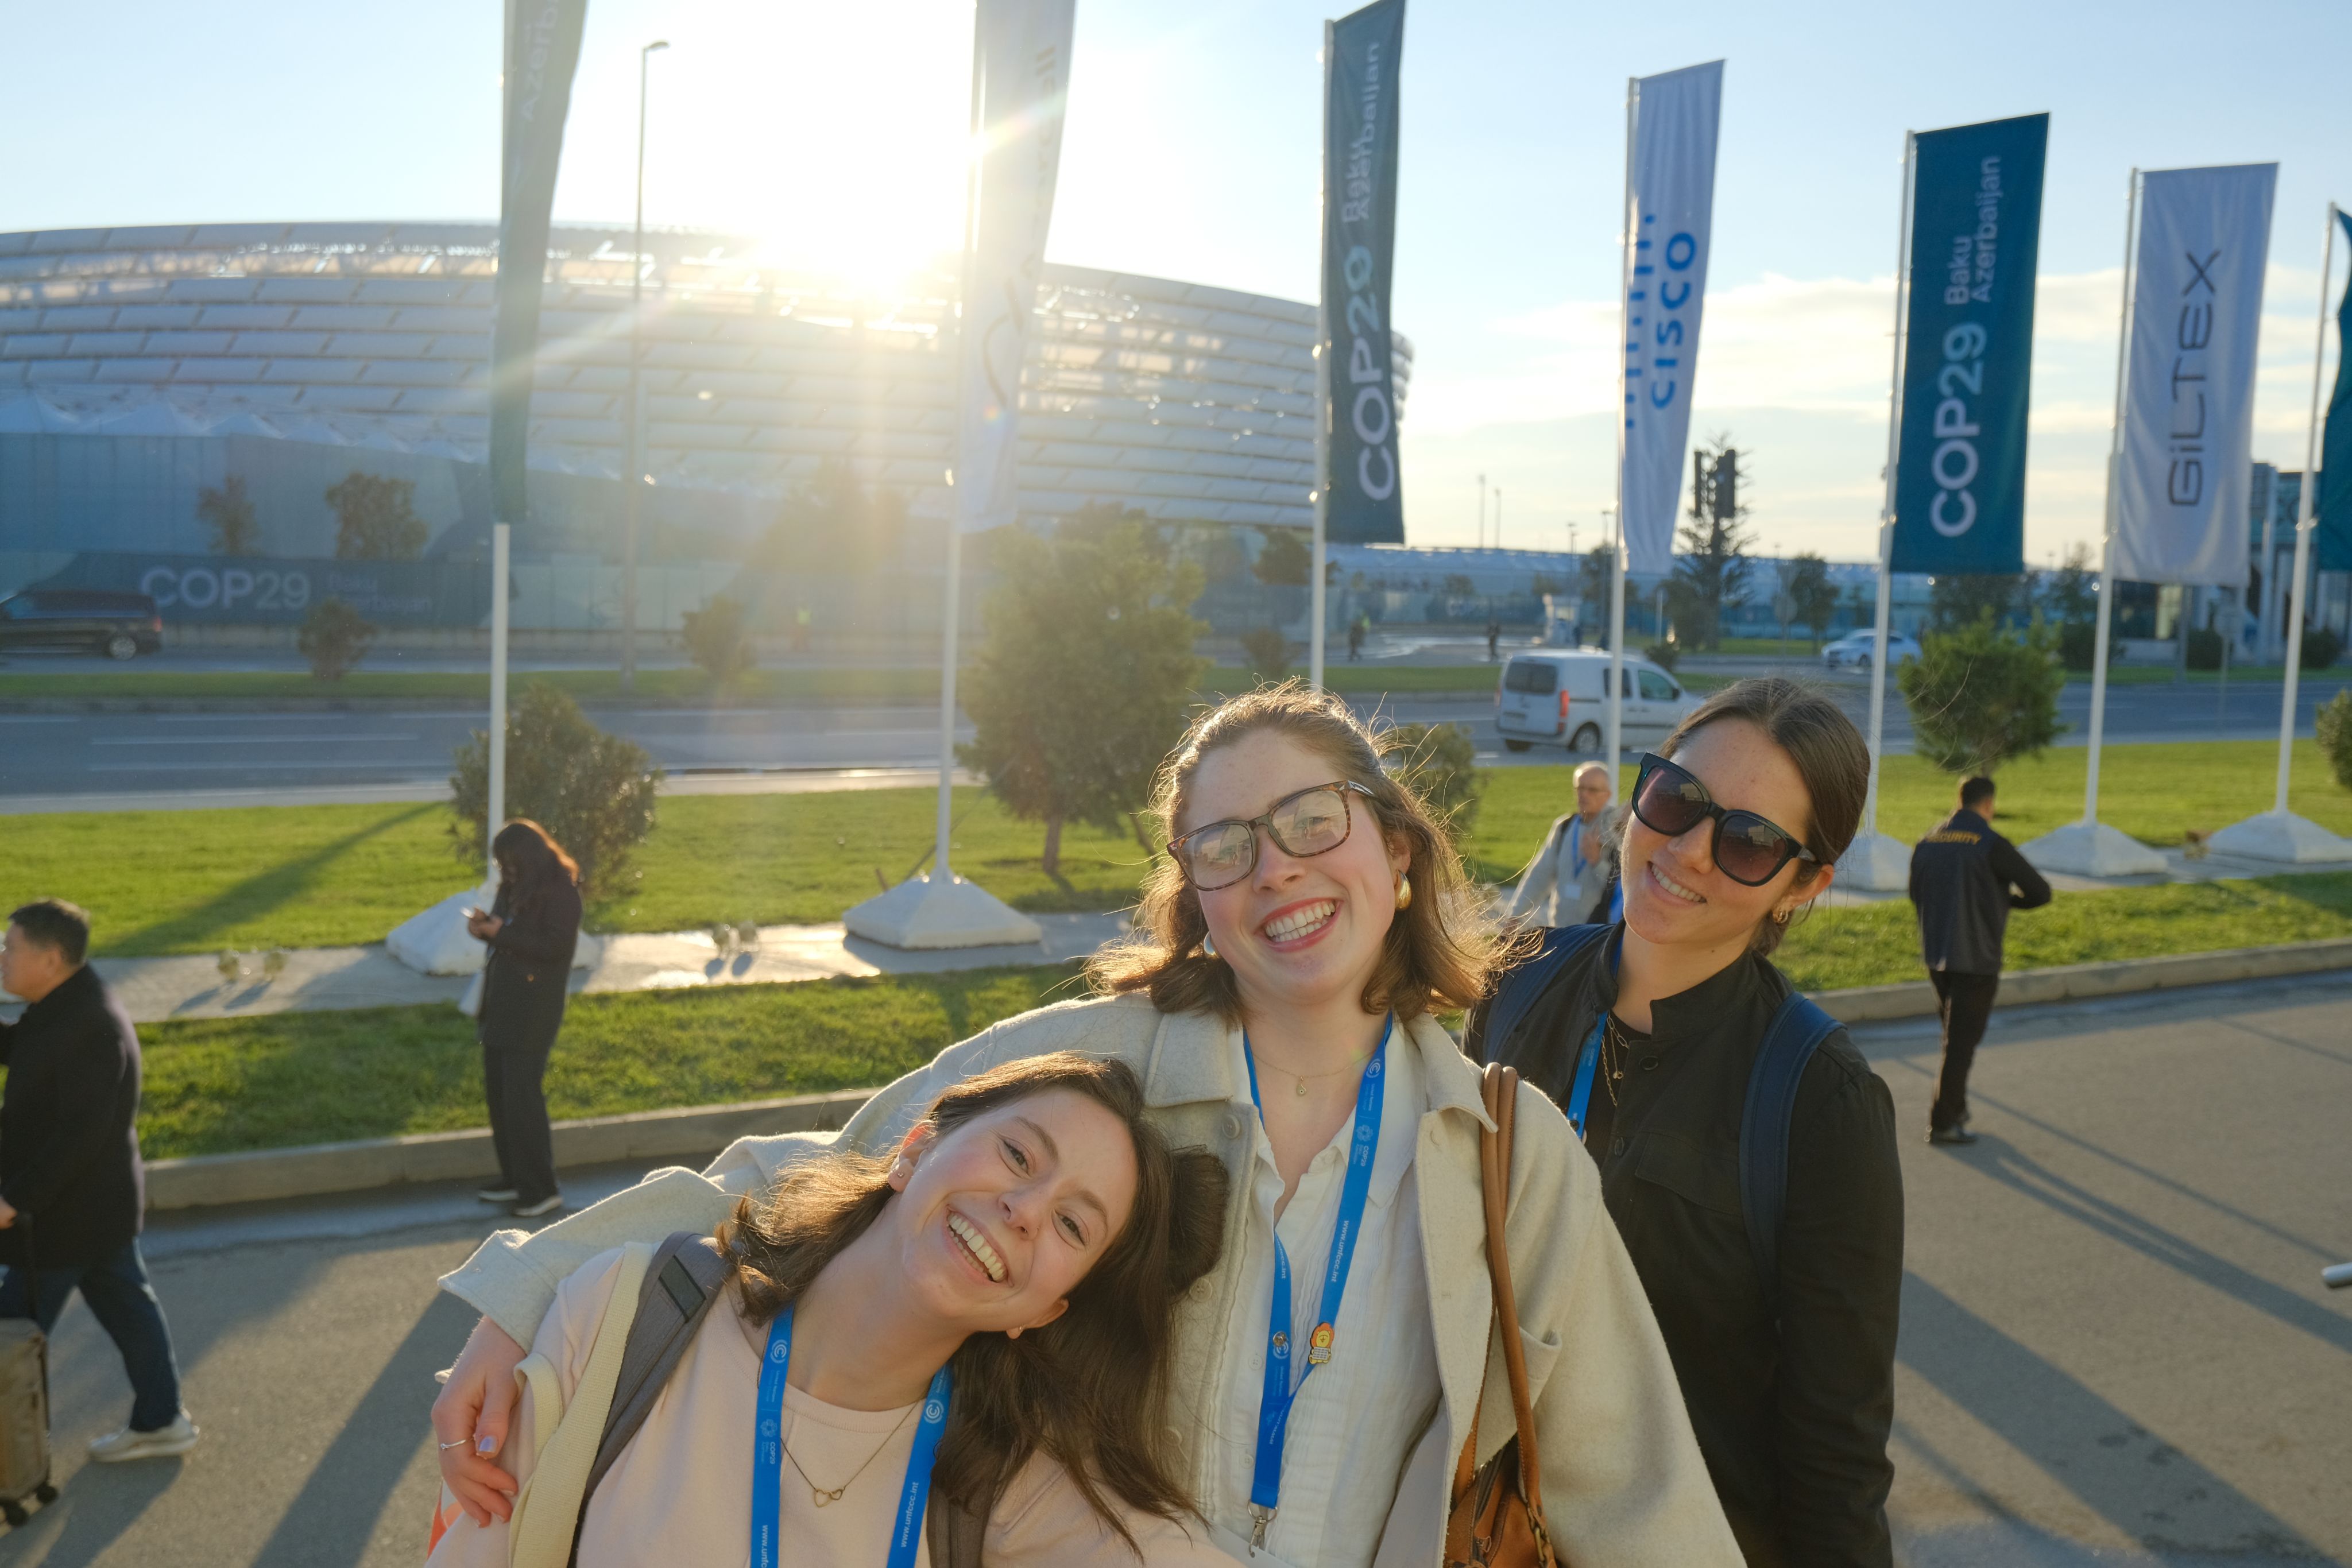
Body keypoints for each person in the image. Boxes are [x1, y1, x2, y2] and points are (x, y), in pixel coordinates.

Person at [432, 683, 1742, 1566]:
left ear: (1397, 852)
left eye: (1310, 822)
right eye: (1223, 845)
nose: (1273, 867)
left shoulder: (1503, 1153)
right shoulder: (1087, 1072)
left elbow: (1641, 1497)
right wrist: (526, 1292)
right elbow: (820, 1177)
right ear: (1197, 900)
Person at [425, 1054, 1232, 1566]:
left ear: (1045, 1310)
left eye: (1071, 1223)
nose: (1024, 1206)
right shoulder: (629, 1314)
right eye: (1019, 1153)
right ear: (914, 1149)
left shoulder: (1001, 1484)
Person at [1468, 679, 1904, 1567]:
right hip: (1481, 1533)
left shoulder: (1823, 1100)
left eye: (1749, 841)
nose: (1691, 850)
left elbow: (1835, 1453)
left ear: (1804, 882)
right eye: (1677, 799)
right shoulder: (1511, 981)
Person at [0, 900, 198, 1461]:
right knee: (130, 1310)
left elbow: (79, 1136)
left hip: (69, 1215)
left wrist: (13, 1199)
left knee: (8, 1335)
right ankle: (162, 1421)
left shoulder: (91, 1026)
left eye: (10, 948)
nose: (1, 957)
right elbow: (22, 1049)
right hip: (96, 1211)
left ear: (52, 957)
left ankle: (15, 1458)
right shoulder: (62, 1001)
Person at [1908, 775, 2051, 1147]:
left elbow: (1915, 892)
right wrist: (2005, 902)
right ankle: (1943, 1122)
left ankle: (1955, 1107)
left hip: (1937, 954)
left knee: (1952, 1040)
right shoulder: (1990, 843)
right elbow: (2040, 891)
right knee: (1961, 1044)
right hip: (1977, 959)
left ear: (1959, 800)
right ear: (1989, 804)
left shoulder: (1928, 840)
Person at [467, 820, 585, 1219]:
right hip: (502, 1001)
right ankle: (515, 1178)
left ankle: (541, 1188)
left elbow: (554, 948)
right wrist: (485, 929)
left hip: (535, 1007)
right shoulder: (514, 886)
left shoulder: (562, 891)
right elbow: (507, 931)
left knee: (522, 1096)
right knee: (499, 1094)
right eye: (502, 864)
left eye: (511, 863)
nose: (505, 871)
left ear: (529, 858)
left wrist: (503, 933)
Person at [1502, 760, 1620, 928]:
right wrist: (1516, 916)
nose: (1584, 794)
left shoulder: (1617, 829)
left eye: (1592, 790)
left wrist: (1597, 862)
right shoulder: (1564, 827)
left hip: (1599, 934)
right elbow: (1539, 876)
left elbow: (1623, 889)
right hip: (1562, 931)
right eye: (1580, 788)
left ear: (1607, 795)